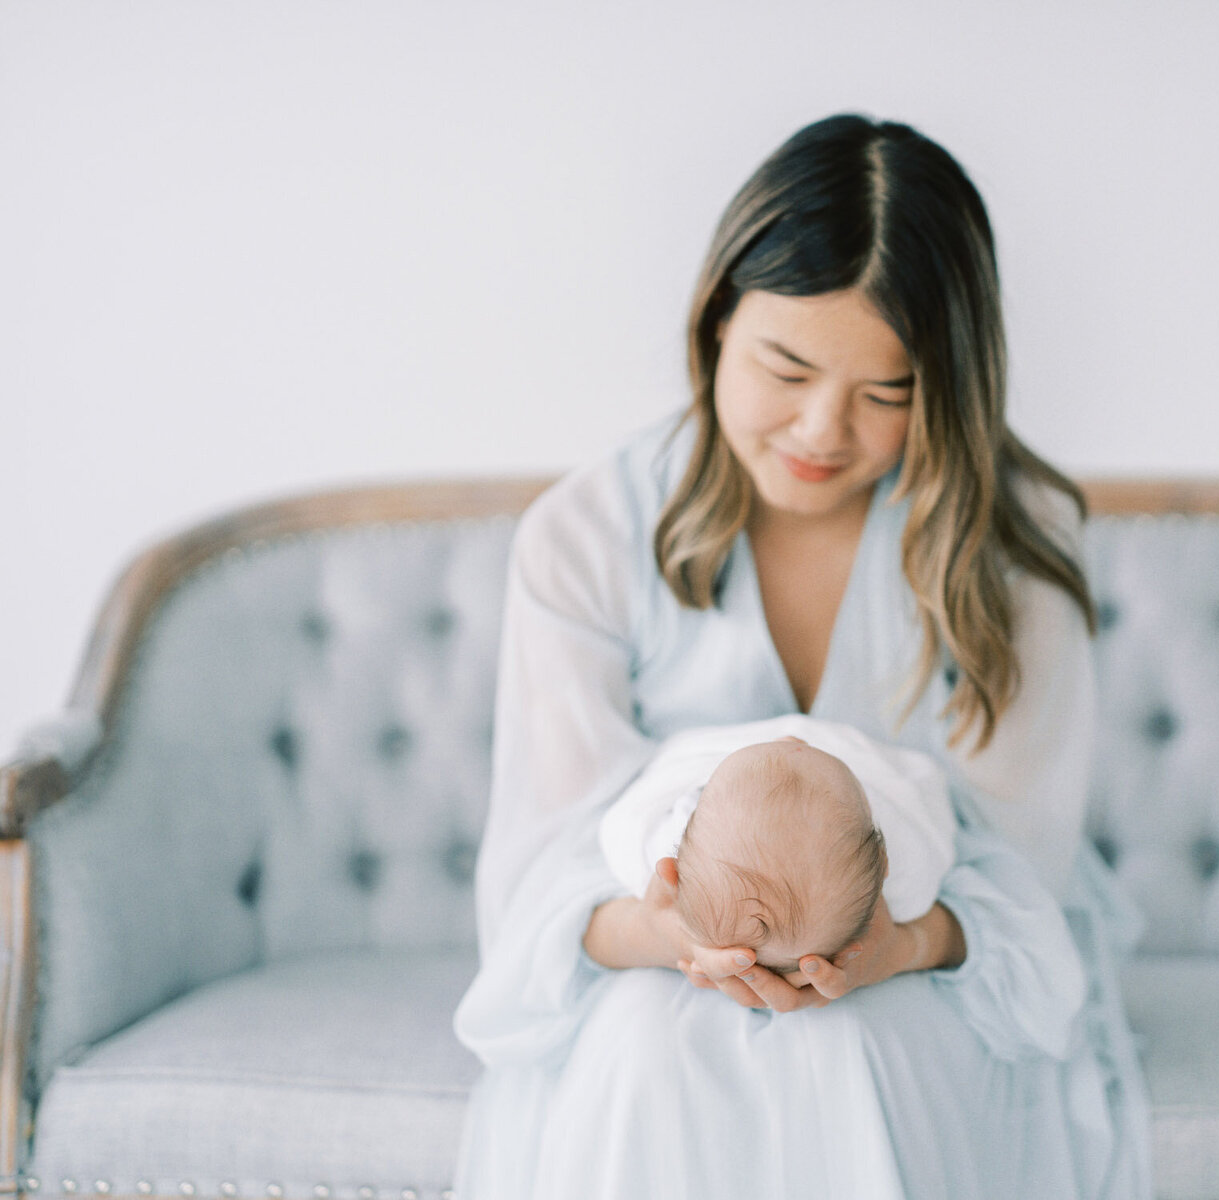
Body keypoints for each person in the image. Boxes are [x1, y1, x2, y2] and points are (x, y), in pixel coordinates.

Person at [452, 113, 1152, 1199]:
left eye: (890, 394)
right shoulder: (583, 535)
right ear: (717, 320)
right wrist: (676, 934)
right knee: (646, 1051)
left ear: (952, 386)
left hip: (944, 957)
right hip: (650, 958)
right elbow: (543, 885)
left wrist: (900, 944)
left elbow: (1026, 869)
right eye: (785, 368)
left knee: (848, 1050)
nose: (824, 431)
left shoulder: (1018, 541)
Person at [597, 715, 967, 977]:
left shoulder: (657, 839)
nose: (793, 745)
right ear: (883, 863)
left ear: (672, 871)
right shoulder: (909, 868)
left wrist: (646, 931)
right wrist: (910, 945)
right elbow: (930, 800)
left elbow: (624, 817)